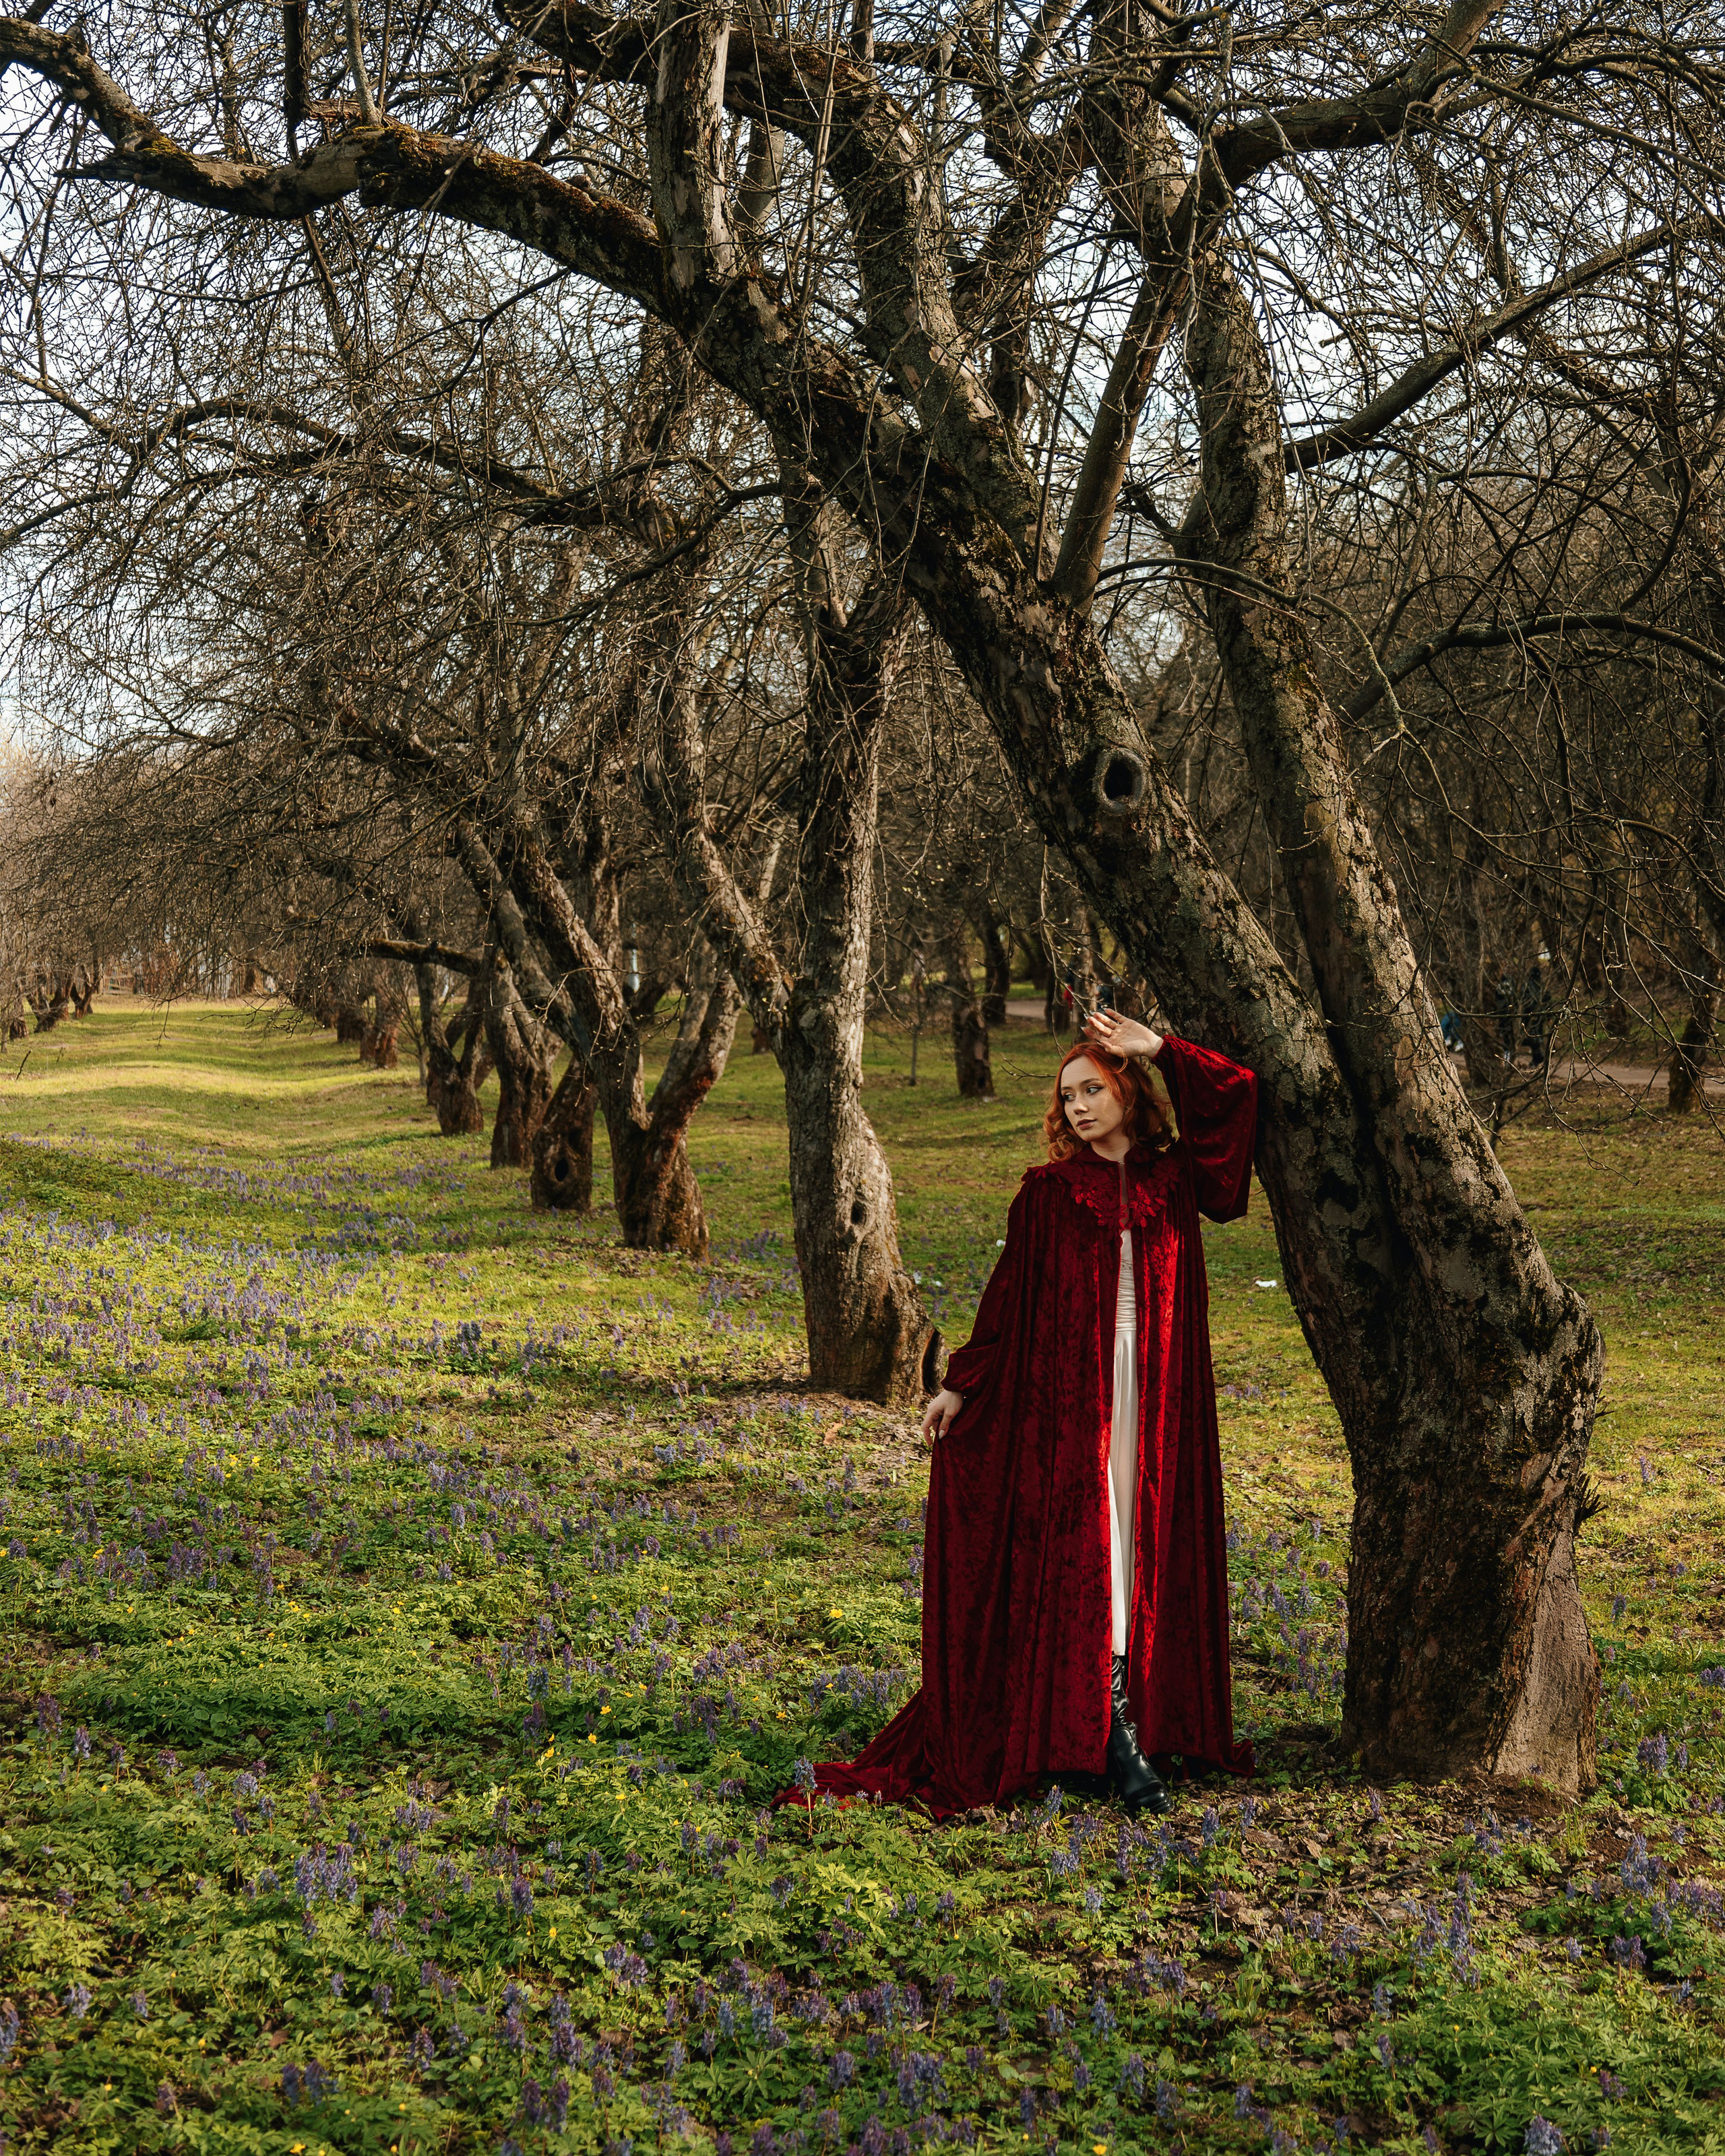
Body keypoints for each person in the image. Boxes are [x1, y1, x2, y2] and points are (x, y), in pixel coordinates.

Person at [790, 1011, 1259, 1820]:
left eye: (1093, 1088)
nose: (1078, 1107)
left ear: (1126, 1090)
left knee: (1141, 1547)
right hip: (1072, 1398)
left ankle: (1130, 1719)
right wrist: (962, 1385)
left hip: (1158, 1391)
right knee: (1095, 1545)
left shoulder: (1174, 1179)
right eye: (1067, 1095)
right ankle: (1108, 1733)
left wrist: (1162, 1048)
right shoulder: (1046, 1194)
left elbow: (1239, 1098)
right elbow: (1006, 1301)